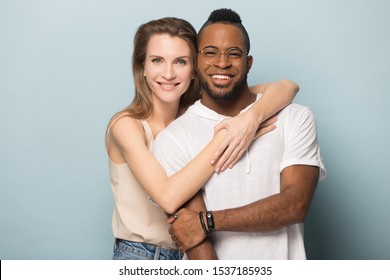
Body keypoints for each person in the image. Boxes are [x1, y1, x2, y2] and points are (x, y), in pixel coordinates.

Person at [106, 16, 299, 260]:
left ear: (195, 68)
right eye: (157, 61)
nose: (168, 73)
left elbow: (287, 87)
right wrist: (233, 133)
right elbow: (168, 197)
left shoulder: (193, 119)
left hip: (192, 251)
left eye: (180, 62)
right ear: (142, 67)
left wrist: (251, 119)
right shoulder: (126, 125)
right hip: (142, 255)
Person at [154, 8, 326, 260]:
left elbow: (295, 205)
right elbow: (194, 237)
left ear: (248, 63)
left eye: (233, 54)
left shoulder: (295, 117)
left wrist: (209, 221)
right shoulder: (173, 139)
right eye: (210, 53)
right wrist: (201, 224)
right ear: (196, 60)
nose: (222, 63)